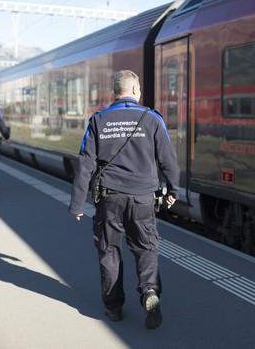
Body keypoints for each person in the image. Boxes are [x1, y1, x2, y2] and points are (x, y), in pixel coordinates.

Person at [69, 70, 180, 330]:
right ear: (136, 90)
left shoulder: (99, 120)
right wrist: (174, 190)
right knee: (146, 248)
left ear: (114, 92)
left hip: (109, 199)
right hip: (143, 198)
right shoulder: (152, 118)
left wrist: (77, 203)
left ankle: (113, 307)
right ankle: (150, 291)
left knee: (109, 251)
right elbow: (168, 158)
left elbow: (85, 163)